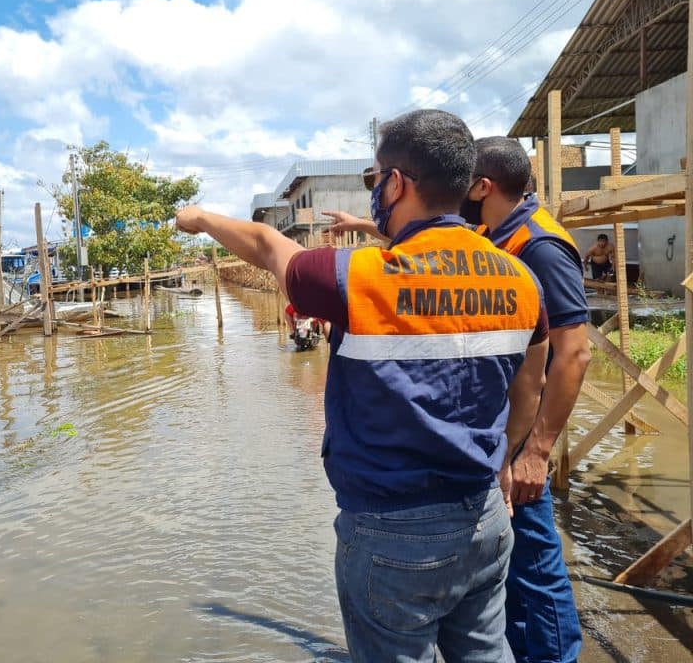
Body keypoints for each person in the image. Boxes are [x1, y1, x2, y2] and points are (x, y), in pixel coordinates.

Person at [177, 109, 549, 662]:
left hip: (392, 535)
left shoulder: (355, 276)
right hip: (487, 522)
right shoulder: (522, 280)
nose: (375, 190)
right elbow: (530, 388)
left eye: (375, 179)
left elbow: (262, 241)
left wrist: (200, 218)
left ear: (397, 183)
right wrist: (503, 464)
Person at [460, 136, 590, 663]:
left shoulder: (540, 246)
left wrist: (536, 451)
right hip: (505, 430)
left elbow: (575, 355)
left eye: (463, 181)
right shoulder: (498, 232)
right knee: (510, 562)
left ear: (483, 186)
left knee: (536, 566)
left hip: (522, 438)